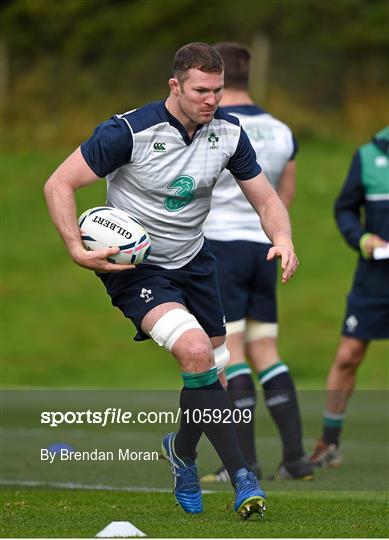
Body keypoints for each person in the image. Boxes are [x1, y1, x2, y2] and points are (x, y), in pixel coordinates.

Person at [44, 42, 299, 518]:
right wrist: (76, 249)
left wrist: (282, 238)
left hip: (197, 263)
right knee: (197, 353)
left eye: (218, 90)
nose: (211, 100)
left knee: (214, 376)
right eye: (201, 90)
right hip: (136, 269)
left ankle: (181, 451)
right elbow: (59, 183)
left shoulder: (228, 132)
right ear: (175, 86)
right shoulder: (128, 131)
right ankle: (244, 477)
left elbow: (266, 200)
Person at [202, 42, 313, 482]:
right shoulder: (283, 130)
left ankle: (243, 465)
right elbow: (282, 198)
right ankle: (297, 460)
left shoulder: (213, 126)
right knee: (267, 349)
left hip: (221, 247)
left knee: (231, 353)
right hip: (266, 247)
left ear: (219, 77)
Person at [311, 126, 389, 467]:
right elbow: (344, 208)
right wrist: (361, 238)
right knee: (348, 356)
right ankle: (330, 443)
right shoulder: (368, 155)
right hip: (374, 278)